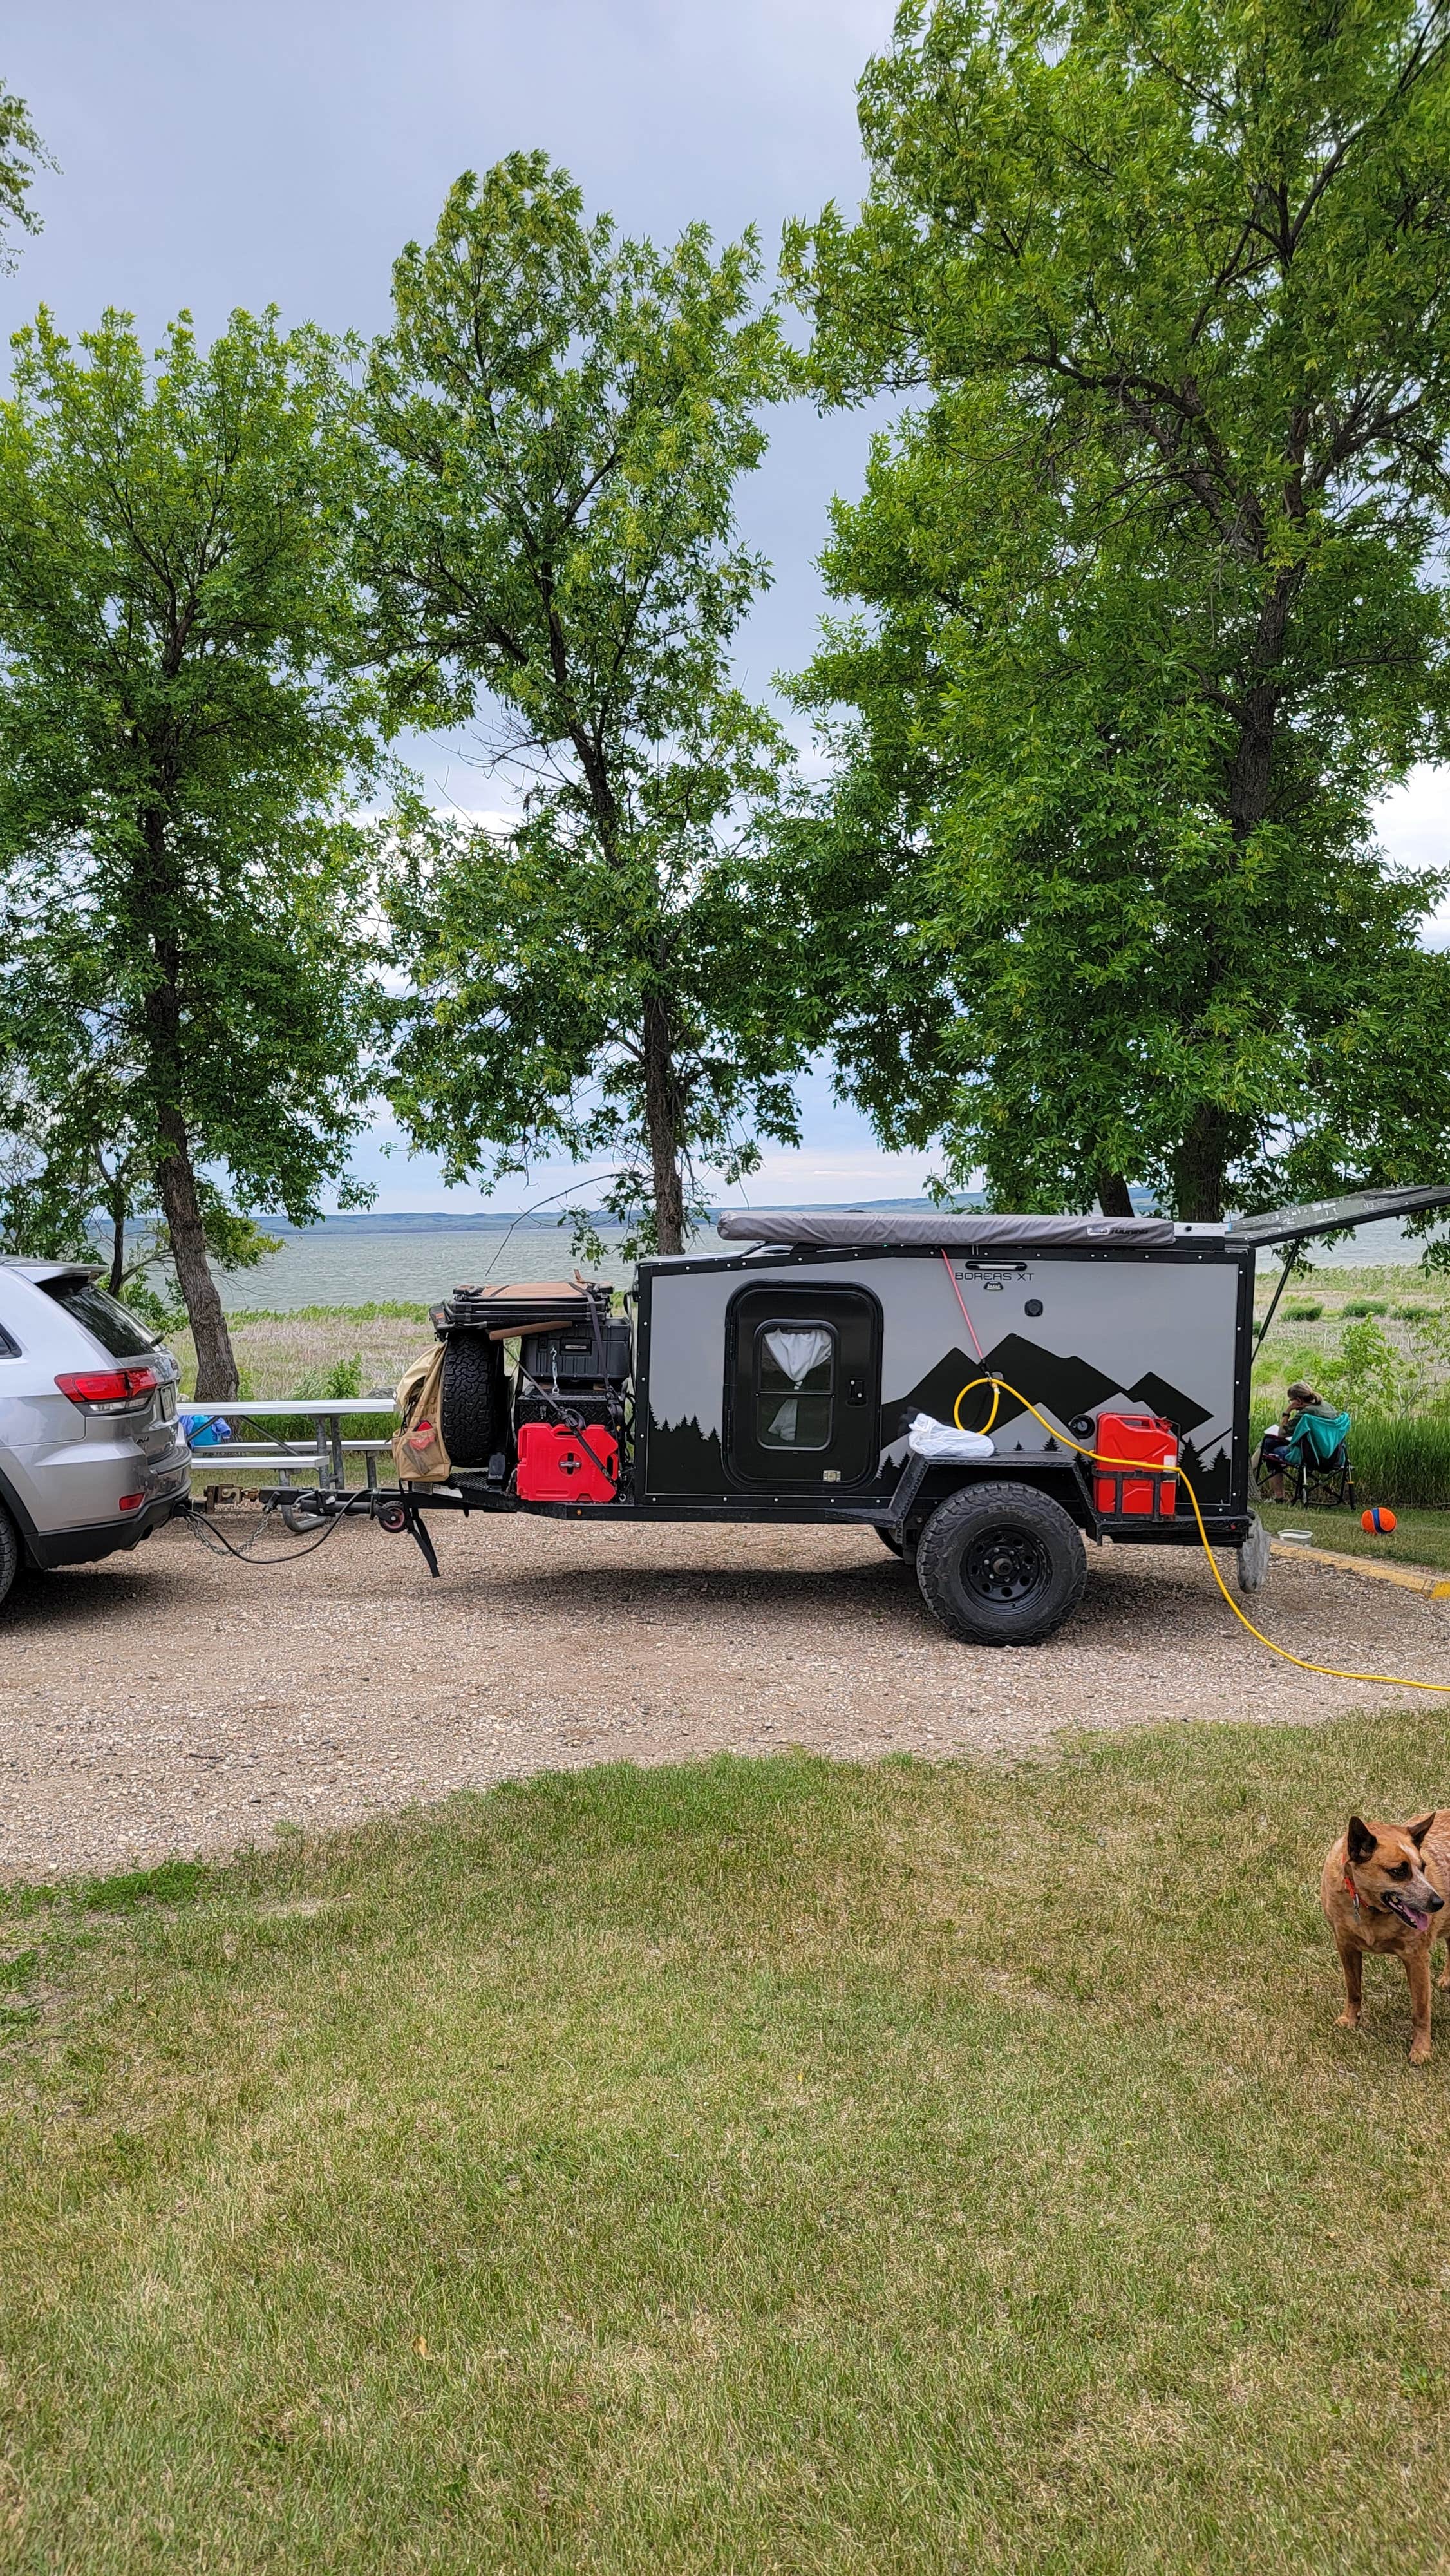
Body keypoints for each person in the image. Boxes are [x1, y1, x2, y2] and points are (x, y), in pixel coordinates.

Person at [1257, 1381, 1347, 1502]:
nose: (1291, 1403)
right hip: (1335, 1456)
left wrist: (1288, 1411)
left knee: (1270, 1451)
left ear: (1298, 1401)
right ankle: (1249, 1474)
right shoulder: (1328, 1407)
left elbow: (1282, 1433)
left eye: (1291, 1401)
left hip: (1309, 1457)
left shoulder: (1307, 1413)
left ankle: (1279, 1497)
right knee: (1269, 1443)